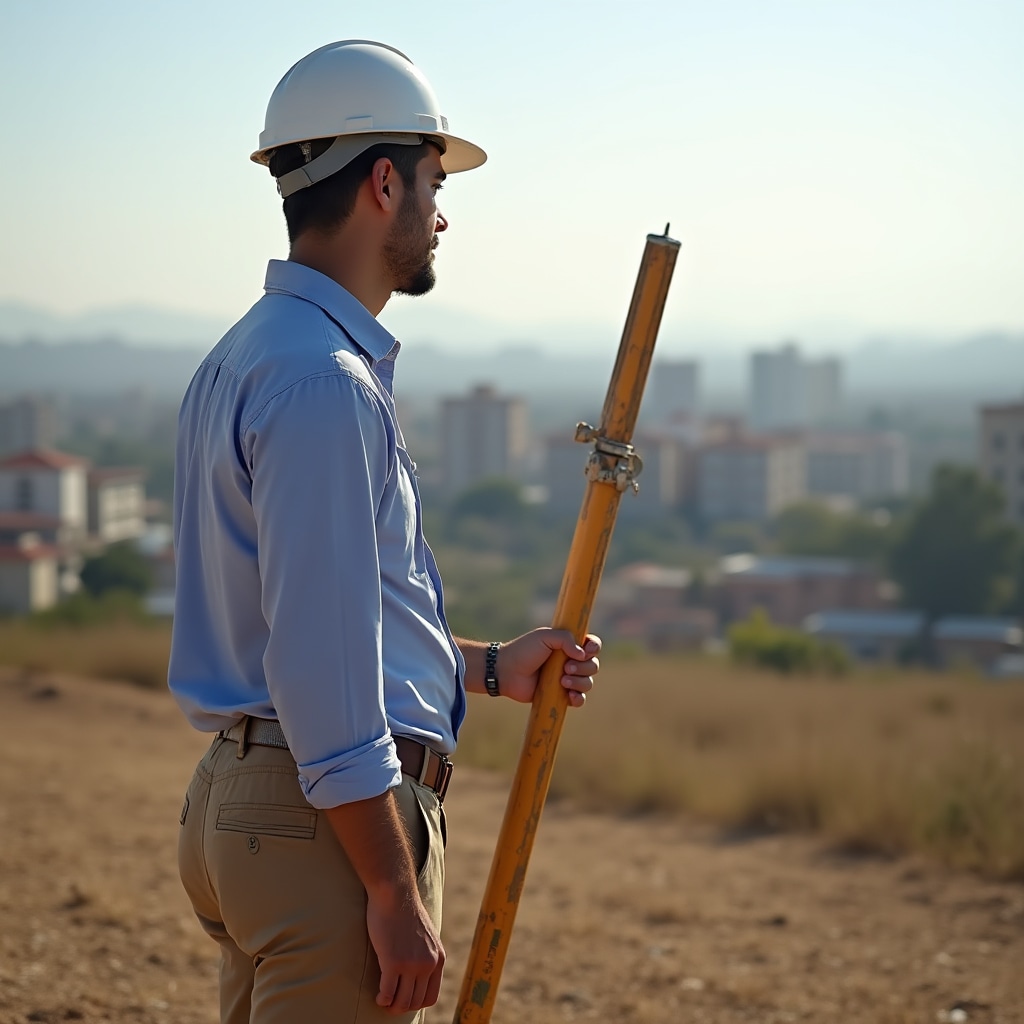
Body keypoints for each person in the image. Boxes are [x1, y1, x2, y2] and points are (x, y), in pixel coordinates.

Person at [169, 39, 601, 1024]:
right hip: (322, 829)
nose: (441, 211)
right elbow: (320, 660)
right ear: (379, 183)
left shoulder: (245, 355)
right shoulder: (324, 380)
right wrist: (393, 888)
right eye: (432, 180)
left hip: (252, 806)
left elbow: (321, 620)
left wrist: (488, 669)